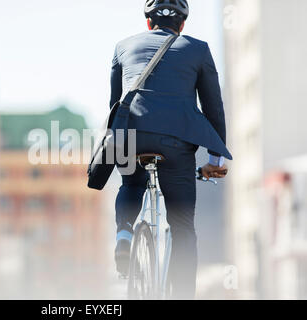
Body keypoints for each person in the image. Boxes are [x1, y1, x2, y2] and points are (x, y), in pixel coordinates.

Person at [111, 0, 232, 299]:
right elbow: (213, 107)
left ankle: (125, 232)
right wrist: (214, 159)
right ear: (182, 25)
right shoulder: (198, 49)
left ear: (149, 23)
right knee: (181, 226)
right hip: (175, 142)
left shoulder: (122, 47)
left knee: (130, 182)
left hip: (128, 137)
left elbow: (115, 104)